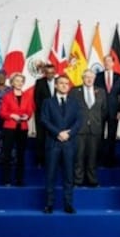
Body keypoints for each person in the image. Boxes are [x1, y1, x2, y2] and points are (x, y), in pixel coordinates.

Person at [40, 76, 82, 214]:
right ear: (56, 86)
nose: (64, 86)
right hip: (53, 143)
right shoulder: (48, 102)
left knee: (69, 176)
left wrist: (68, 134)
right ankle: (49, 204)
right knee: (50, 175)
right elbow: (44, 120)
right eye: (61, 83)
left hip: (69, 144)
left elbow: (78, 121)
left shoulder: (75, 103)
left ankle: (68, 204)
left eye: (66, 83)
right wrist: (58, 133)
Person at [71, 69, 106, 186]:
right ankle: (78, 180)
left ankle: (92, 180)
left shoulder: (101, 91)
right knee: (78, 156)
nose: (89, 79)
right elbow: (71, 110)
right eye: (87, 77)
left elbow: (104, 110)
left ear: (95, 78)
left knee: (93, 156)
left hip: (95, 129)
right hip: (79, 129)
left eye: (91, 77)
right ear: (82, 78)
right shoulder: (75, 91)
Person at [0, 73, 34, 186]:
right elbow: (2, 113)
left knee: (21, 155)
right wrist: (12, 116)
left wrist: (26, 117)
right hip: (9, 127)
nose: (19, 83)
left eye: (21, 81)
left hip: (22, 128)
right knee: (7, 154)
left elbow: (29, 111)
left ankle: (20, 180)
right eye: (17, 81)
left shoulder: (27, 96)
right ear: (12, 82)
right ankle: (6, 180)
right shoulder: (7, 96)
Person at [94, 55, 120, 167]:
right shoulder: (97, 76)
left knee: (112, 135)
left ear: (113, 63)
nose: (107, 63)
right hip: (100, 111)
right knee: (99, 135)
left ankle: (110, 159)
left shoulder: (119, 77)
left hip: (114, 111)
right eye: (105, 61)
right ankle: (98, 159)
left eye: (109, 61)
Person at [33, 63, 57, 168]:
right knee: (41, 138)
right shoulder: (39, 82)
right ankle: (40, 161)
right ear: (44, 73)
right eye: (48, 73)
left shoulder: (59, 82)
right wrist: (46, 112)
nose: (50, 75)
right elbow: (36, 99)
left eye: (52, 73)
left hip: (57, 116)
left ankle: (54, 160)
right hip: (42, 115)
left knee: (55, 139)